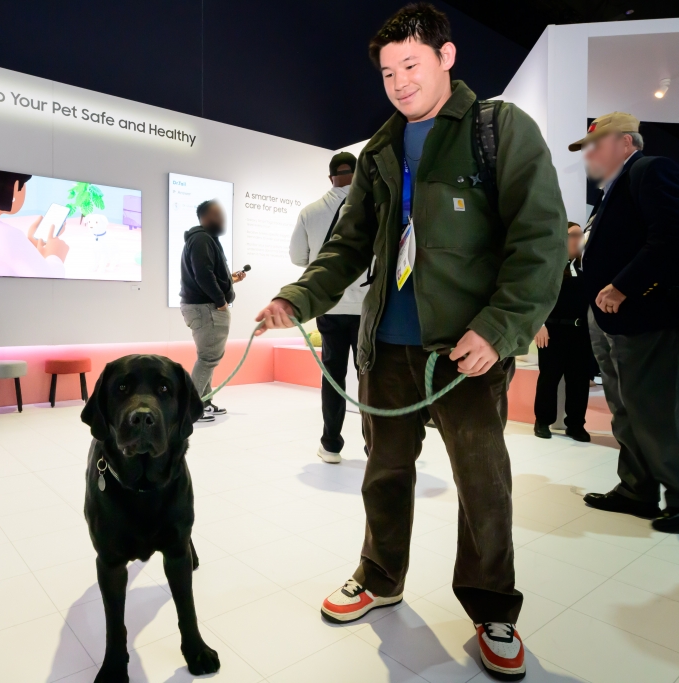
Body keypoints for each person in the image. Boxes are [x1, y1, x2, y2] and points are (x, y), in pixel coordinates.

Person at [253, 4, 566, 678]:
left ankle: (492, 607)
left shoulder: (498, 129)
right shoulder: (380, 149)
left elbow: (539, 240)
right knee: (384, 473)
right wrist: (296, 298)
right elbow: (347, 247)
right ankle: (380, 576)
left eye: (411, 65)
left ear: (446, 57)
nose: (399, 82)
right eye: (388, 72)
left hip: (466, 350)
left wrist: (499, 327)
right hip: (386, 346)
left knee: (483, 484)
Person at [571, 112, 679, 533]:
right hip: (612, 318)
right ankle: (636, 489)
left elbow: (671, 235)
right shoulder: (615, 187)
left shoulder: (652, 170)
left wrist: (624, 286)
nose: (589, 155)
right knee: (625, 409)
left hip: (643, 315)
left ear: (626, 142)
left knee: (651, 413)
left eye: (596, 145)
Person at [289, 152, 366, 464]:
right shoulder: (371, 208)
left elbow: (297, 257)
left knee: (333, 376)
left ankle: (331, 444)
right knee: (369, 377)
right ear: (358, 173)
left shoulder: (310, 212)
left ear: (330, 177)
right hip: (366, 308)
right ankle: (375, 446)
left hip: (328, 304)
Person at [180, 200, 246, 423]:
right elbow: (203, 275)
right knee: (208, 359)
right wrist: (221, 302)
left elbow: (208, 274)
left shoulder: (204, 239)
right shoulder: (202, 239)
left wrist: (230, 280)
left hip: (203, 307)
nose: (222, 219)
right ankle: (191, 409)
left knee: (206, 358)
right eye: (217, 214)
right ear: (205, 217)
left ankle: (204, 402)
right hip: (206, 308)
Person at [533, 222, 593, 442]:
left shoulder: (585, 269)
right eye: (573, 234)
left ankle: (576, 424)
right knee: (549, 377)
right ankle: (542, 420)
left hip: (580, 333)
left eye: (580, 235)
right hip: (552, 331)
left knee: (579, 380)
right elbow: (536, 297)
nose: (578, 239)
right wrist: (539, 325)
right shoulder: (549, 268)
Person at [0, 165, 68, 278]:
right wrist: (55, 255)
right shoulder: (8, 235)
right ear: (15, 186)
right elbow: (48, 281)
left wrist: (29, 242)